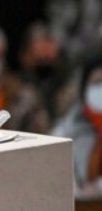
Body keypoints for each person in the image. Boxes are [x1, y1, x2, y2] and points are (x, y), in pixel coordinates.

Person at [52, 54, 102, 198]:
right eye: (97, 82)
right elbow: (53, 173)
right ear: (84, 88)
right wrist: (77, 192)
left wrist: (98, 189)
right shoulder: (66, 130)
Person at [18, 21, 77, 124]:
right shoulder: (18, 86)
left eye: (50, 42)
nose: (46, 48)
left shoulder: (67, 84)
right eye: (40, 42)